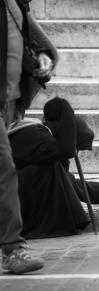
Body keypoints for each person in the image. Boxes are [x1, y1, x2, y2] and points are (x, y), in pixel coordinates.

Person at [7, 97, 99, 239]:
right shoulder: (35, 135)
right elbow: (67, 152)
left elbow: (77, 186)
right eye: (77, 148)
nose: (76, 153)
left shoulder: (45, 148)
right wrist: (64, 110)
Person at [0, 0, 57, 274]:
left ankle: (12, 249)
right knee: (4, 168)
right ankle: (12, 249)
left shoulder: (14, 3)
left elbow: (26, 36)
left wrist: (41, 56)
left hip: (7, 101)